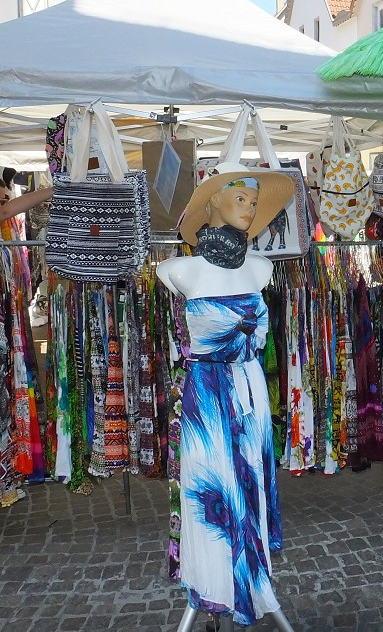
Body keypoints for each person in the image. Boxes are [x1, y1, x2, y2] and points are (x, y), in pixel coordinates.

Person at [155, 161, 295, 627]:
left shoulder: (259, 269)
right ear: (212, 199)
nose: (250, 208)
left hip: (251, 393)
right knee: (211, 498)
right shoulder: (177, 269)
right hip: (208, 399)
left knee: (250, 486)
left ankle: (255, 587)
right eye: (241, 197)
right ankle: (214, 588)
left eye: (255, 202)